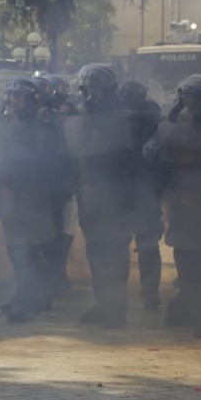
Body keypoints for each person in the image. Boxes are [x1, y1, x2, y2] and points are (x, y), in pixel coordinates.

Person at [144, 75, 201, 338]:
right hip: (179, 199)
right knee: (184, 255)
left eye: (194, 99)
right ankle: (187, 304)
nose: (188, 104)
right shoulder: (168, 125)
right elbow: (150, 152)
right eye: (185, 98)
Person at [64, 65, 137, 328]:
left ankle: (116, 309)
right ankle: (101, 304)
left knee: (115, 249)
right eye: (88, 88)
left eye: (97, 88)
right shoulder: (81, 117)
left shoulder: (123, 117)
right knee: (95, 248)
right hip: (89, 190)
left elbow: (132, 158)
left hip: (116, 190)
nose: (91, 93)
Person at [0, 79, 68, 322]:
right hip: (12, 194)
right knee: (16, 249)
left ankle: (33, 299)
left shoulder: (43, 127)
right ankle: (23, 294)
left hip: (35, 194)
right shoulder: (5, 126)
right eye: (11, 97)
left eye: (19, 98)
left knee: (34, 249)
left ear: (33, 101)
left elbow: (44, 161)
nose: (13, 103)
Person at [119, 80, 164, 310]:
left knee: (133, 244)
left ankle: (140, 295)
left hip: (138, 188)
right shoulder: (154, 119)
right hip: (141, 189)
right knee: (146, 245)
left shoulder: (149, 120)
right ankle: (149, 295)